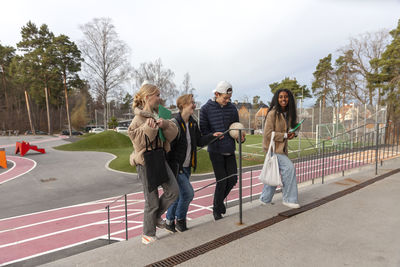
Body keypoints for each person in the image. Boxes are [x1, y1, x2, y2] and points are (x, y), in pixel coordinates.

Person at [127, 83, 179, 244]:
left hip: (159, 158)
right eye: (156, 95)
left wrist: (165, 125)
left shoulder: (159, 114)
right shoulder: (138, 119)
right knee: (152, 200)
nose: (159, 98)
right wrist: (149, 129)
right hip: (145, 162)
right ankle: (148, 234)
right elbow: (138, 144)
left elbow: (172, 135)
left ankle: (155, 218)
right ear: (148, 97)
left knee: (174, 191)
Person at [165, 94, 223, 232]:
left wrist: (212, 136)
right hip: (176, 167)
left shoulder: (192, 122)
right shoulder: (174, 123)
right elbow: (168, 147)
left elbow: (199, 141)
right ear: (183, 105)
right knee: (188, 193)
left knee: (179, 195)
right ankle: (180, 220)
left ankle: (169, 221)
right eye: (192, 102)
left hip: (187, 167)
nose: (194, 105)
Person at [200, 81, 245, 221]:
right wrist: (212, 136)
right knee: (221, 181)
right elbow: (204, 131)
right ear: (216, 94)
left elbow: (236, 129)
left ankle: (218, 203)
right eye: (225, 98)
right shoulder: (205, 109)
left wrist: (240, 138)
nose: (227, 101)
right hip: (215, 150)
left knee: (232, 179)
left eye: (229, 98)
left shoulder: (232, 109)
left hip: (229, 149)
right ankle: (216, 209)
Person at [259, 88, 300, 209]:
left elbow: (288, 130)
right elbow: (267, 134)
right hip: (273, 149)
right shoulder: (273, 113)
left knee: (274, 173)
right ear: (277, 99)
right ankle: (289, 199)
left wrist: (293, 133)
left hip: (281, 149)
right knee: (289, 168)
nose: (283, 99)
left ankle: (264, 199)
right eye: (281, 97)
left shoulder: (289, 114)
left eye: (286, 97)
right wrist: (286, 135)